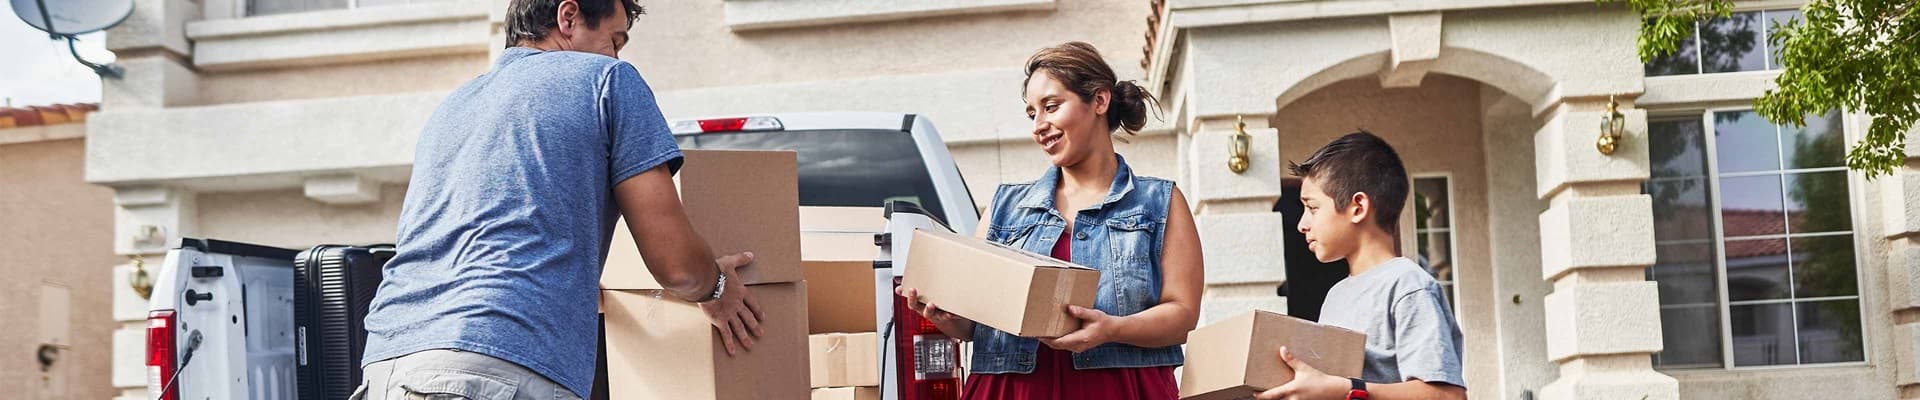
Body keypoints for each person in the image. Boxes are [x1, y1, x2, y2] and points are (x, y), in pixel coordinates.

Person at [354, 1, 766, 399]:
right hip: (502, 364)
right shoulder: (607, 80)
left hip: (389, 363)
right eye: (615, 40)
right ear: (568, 17)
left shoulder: (453, 107)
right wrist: (716, 289)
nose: (616, 54)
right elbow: (677, 266)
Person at [897, 41, 1205, 400]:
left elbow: (1183, 315)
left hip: (1119, 390)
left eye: (1051, 106)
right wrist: (948, 318)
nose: (1039, 126)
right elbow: (973, 320)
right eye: (1032, 114)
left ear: (1099, 101)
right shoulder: (1003, 207)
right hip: (1011, 390)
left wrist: (1113, 329)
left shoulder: (1160, 202)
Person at [1257, 132, 1466, 400]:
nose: (1302, 224)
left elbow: (1448, 396)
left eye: (1312, 207)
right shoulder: (1336, 295)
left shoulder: (1408, 285)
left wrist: (1348, 390)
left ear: (1357, 207)